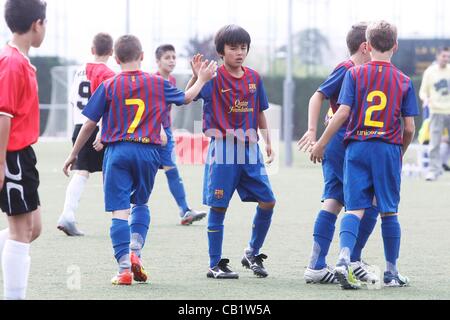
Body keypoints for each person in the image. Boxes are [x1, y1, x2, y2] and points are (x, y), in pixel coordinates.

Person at [63, 35, 217, 285]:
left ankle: (124, 269)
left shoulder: (109, 85)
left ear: (115, 58)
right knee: (141, 205)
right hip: (148, 153)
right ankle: (136, 249)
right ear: (143, 56)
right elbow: (186, 98)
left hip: (117, 153)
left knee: (119, 212)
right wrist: (201, 78)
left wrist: (73, 154)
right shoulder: (157, 82)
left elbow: (90, 122)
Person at [310, 20, 418, 289]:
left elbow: (342, 112)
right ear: (395, 45)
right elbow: (409, 128)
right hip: (386, 149)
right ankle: (392, 272)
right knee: (388, 212)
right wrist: (400, 152)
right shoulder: (404, 81)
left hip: (356, 148)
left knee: (354, 207)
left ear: (368, 46)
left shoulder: (354, 75)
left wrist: (321, 142)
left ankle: (344, 260)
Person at [188, 25, 276, 279]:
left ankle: (252, 252)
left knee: (268, 201)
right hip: (223, 148)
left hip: (250, 149)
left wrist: (268, 140)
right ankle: (214, 264)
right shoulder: (212, 77)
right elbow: (188, 96)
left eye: (243, 47)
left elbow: (259, 111)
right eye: (233, 48)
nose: (239, 52)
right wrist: (197, 77)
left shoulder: (254, 78)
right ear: (221, 51)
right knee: (219, 207)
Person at [298, 23, 379, 285]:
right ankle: (352, 260)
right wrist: (313, 133)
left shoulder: (365, 71)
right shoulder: (347, 69)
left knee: (334, 199)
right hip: (343, 143)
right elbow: (317, 96)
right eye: (374, 44)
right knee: (370, 201)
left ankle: (316, 265)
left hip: (342, 142)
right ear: (365, 47)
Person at [0, 0, 47, 300]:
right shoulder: (11, 61)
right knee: (20, 232)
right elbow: (2, 116)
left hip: (23, 155)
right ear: (36, 24)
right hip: (11, 155)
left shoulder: (20, 60)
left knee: (34, 228)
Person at [57, 33, 115, 236]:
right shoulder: (107, 73)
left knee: (81, 171)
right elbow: (106, 104)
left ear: (92, 50)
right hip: (97, 127)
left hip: (78, 126)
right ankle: (124, 218)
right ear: (111, 51)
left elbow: (73, 100)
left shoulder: (80, 70)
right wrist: (102, 131)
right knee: (114, 171)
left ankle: (67, 214)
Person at [154, 44, 206, 225]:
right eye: (167, 57)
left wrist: (194, 76)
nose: (171, 61)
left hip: (165, 132)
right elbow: (152, 110)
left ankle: (185, 210)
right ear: (157, 61)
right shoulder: (153, 80)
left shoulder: (172, 81)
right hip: (152, 133)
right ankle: (129, 211)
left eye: (174, 57)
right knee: (144, 174)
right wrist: (160, 128)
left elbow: (182, 98)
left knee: (171, 170)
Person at [419, 47, 450, 181]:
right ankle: (433, 171)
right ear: (438, 56)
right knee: (434, 143)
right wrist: (425, 99)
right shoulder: (429, 72)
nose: (446, 58)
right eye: (444, 56)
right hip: (436, 112)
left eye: (448, 56)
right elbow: (423, 91)